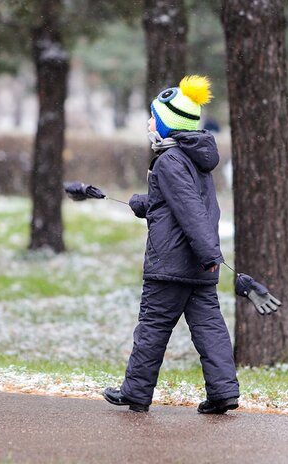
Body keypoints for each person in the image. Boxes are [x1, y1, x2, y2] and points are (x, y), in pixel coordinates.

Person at [102, 75, 240, 414]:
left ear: (167, 123)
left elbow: (190, 210)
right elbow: (181, 202)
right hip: (197, 264)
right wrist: (144, 203)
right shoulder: (193, 157)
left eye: (153, 116)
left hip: (172, 265)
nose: (149, 122)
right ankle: (223, 393)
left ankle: (135, 392)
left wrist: (210, 252)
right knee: (210, 329)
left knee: (152, 327)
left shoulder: (168, 161)